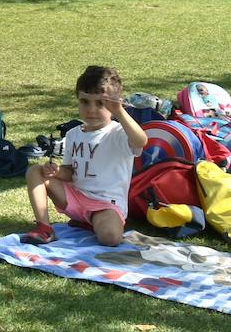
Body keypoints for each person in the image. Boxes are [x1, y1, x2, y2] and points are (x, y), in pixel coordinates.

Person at [20, 66, 146, 246]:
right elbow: (71, 173)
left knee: (110, 238)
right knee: (34, 171)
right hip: (76, 198)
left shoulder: (118, 133)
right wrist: (56, 172)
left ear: (114, 104)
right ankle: (44, 228)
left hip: (105, 205)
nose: (91, 109)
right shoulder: (73, 134)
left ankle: (90, 222)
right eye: (84, 102)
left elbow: (141, 141)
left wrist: (119, 111)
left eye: (100, 103)